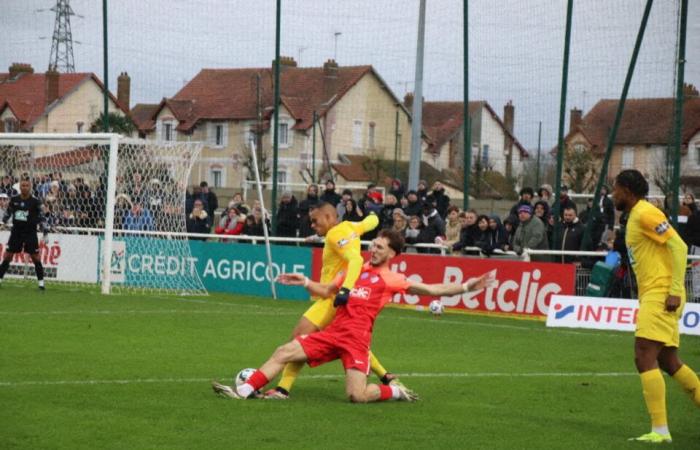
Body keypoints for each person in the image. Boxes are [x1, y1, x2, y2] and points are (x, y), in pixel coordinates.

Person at [212, 229, 496, 402]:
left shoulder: (393, 280)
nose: (372, 249)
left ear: (392, 254)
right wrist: (306, 282)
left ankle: (395, 392)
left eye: (379, 247)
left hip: (357, 342)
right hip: (333, 333)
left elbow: (434, 289)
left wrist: (469, 286)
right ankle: (244, 391)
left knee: (356, 396)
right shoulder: (355, 268)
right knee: (284, 350)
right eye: (372, 245)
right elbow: (328, 290)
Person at [264, 203, 396, 399]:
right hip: (342, 299)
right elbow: (369, 223)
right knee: (351, 342)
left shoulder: (336, 234)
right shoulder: (351, 226)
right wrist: (374, 215)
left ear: (328, 216)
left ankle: (283, 389)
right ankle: (386, 376)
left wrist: (345, 289)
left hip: (332, 298)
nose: (313, 226)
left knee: (298, 340)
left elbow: (356, 260)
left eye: (315, 221)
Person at [611, 169, 700, 443]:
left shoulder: (645, 212)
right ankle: (660, 430)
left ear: (627, 189)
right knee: (668, 360)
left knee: (643, 354)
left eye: (615, 188)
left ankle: (660, 430)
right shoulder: (636, 215)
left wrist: (674, 289)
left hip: (662, 293)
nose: (612, 194)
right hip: (656, 292)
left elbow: (680, 247)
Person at [0, 178, 48, 290]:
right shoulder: (14, 200)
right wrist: (3, 223)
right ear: (20, 187)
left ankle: (41, 284)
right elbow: (8, 213)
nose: (24, 188)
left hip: (30, 233)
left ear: (30, 187)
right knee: (8, 256)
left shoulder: (36, 202)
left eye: (26, 185)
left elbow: (42, 217)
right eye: (23, 186)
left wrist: (45, 232)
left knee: (36, 257)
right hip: (16, 232)